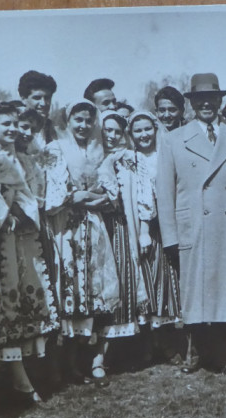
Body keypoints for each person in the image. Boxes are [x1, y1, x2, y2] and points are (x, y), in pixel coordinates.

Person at [157, 73, 226, 375]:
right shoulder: (173, 139)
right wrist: (171, 237)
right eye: (199, 99)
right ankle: (196, 353)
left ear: (220, 101)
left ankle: (224, 355)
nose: (206, 104)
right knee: (195, 293)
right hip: (194, 227)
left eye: (212, 99)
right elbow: (165, 192)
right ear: (191, 102)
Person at [0, 101, 60, 406]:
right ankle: (13, 379)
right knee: (6, 302)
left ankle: (24, 375)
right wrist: (9, 207)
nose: (13, 129)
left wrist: (24, 209)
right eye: (6, 124)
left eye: (16, 124)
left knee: (28, 299)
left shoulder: (25, 160)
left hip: (25, 237)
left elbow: (35, 198)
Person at [42, 100, 119, 386]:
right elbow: (59, 196)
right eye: (78, 120)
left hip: (93, 226)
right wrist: (86, 196)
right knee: (69, 289)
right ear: (68, 120)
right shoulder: (57, 149)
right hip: (67, 228)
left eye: (88, 120)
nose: (84, 126)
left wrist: (89, 197)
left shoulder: (100, 149)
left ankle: (94, 362)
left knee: (93, 290)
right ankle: (63, 366)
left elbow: (110, 195)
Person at [95, 110, 151, 381]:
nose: (112, 136)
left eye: (117, 131)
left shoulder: (130, 159)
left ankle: (118, 352)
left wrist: (142, 231)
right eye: (107, 131)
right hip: (95, 229)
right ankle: (95, 355)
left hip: (121, 227)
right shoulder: (92, 159)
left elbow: (141, 196)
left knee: (124, 283)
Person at [128, 110, 183, 361]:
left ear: (156, 129)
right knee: (146, 282)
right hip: (143, 227)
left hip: (167, 224)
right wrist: (143, 230)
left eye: (147, 129)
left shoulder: (164, 155)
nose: (143, 135)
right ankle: (148, 344)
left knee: (167, 282)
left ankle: (170, 342)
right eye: (137, 131)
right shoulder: (131, 160)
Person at [18, 70, 58, 149]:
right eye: (37, 98)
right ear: (23, 99)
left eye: (47, 98)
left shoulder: (53, 129)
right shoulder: (14, 128)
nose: (43, 103)